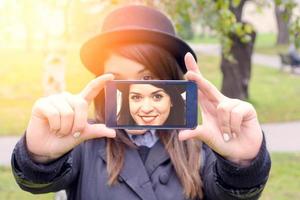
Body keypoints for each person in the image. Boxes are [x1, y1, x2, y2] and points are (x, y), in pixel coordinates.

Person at [11, 5, 271, 200]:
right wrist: (39, 156)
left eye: (147, 78)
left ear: (171, 82)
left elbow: (234, 193)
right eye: (118, 81)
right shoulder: (82, 143)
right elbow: (37, 181)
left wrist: (243, 164)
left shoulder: (201, 147)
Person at [117, 83, 186, 126]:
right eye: (136, 97)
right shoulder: (110, 137)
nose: (146, 109)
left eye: (157, 96)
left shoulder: (191, 141)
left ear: (172, 100)